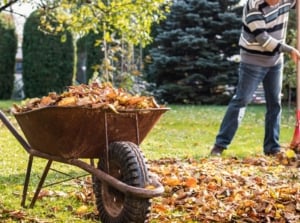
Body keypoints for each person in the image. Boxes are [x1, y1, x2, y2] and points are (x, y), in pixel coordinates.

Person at [210, 0, 300, 156]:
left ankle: (272, 148)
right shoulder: (254, 6)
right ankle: (219, 146)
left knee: (275, 103)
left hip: (275, 61)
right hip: (253, 61)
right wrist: (289, 49)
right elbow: (263, 39)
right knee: (241, 100)